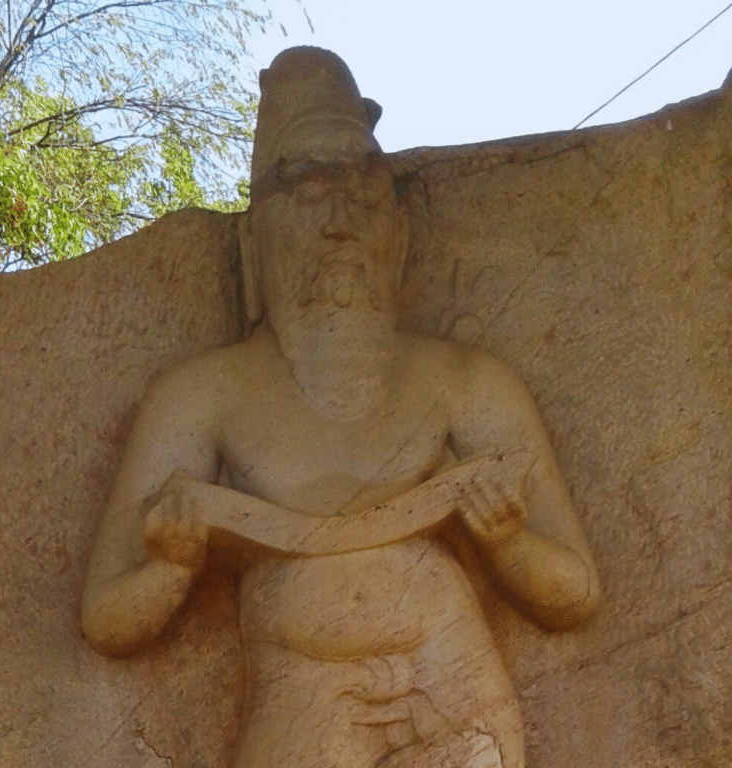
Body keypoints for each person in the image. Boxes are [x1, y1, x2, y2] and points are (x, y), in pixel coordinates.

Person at [82, 47, 600, 768]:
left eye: (362, 193)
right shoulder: (203, 395)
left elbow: (576, 592)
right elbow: (106, 618)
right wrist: (171, 569)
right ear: (252, 242)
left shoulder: (467, 382)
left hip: (455, 694)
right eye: (305, 191)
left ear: (400, 233)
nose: (339, 224)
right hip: (300, 706)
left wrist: (507, 541)